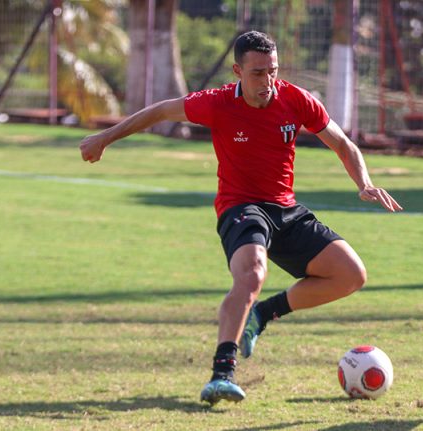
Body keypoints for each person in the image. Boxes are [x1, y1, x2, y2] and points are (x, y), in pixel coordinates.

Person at [79, 30, 402, 406]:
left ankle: (262, 315)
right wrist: (105, 138)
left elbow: (343, 144)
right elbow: (161, 111)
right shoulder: (217, 103)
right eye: (258, 73)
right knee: (251, 275)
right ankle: (222, 374)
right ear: (237, 71)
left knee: (351, 275)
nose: (268, 81)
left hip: (286, 210)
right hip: (241, 208)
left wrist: (364, 183)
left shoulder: (296, 99)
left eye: (273, 71)